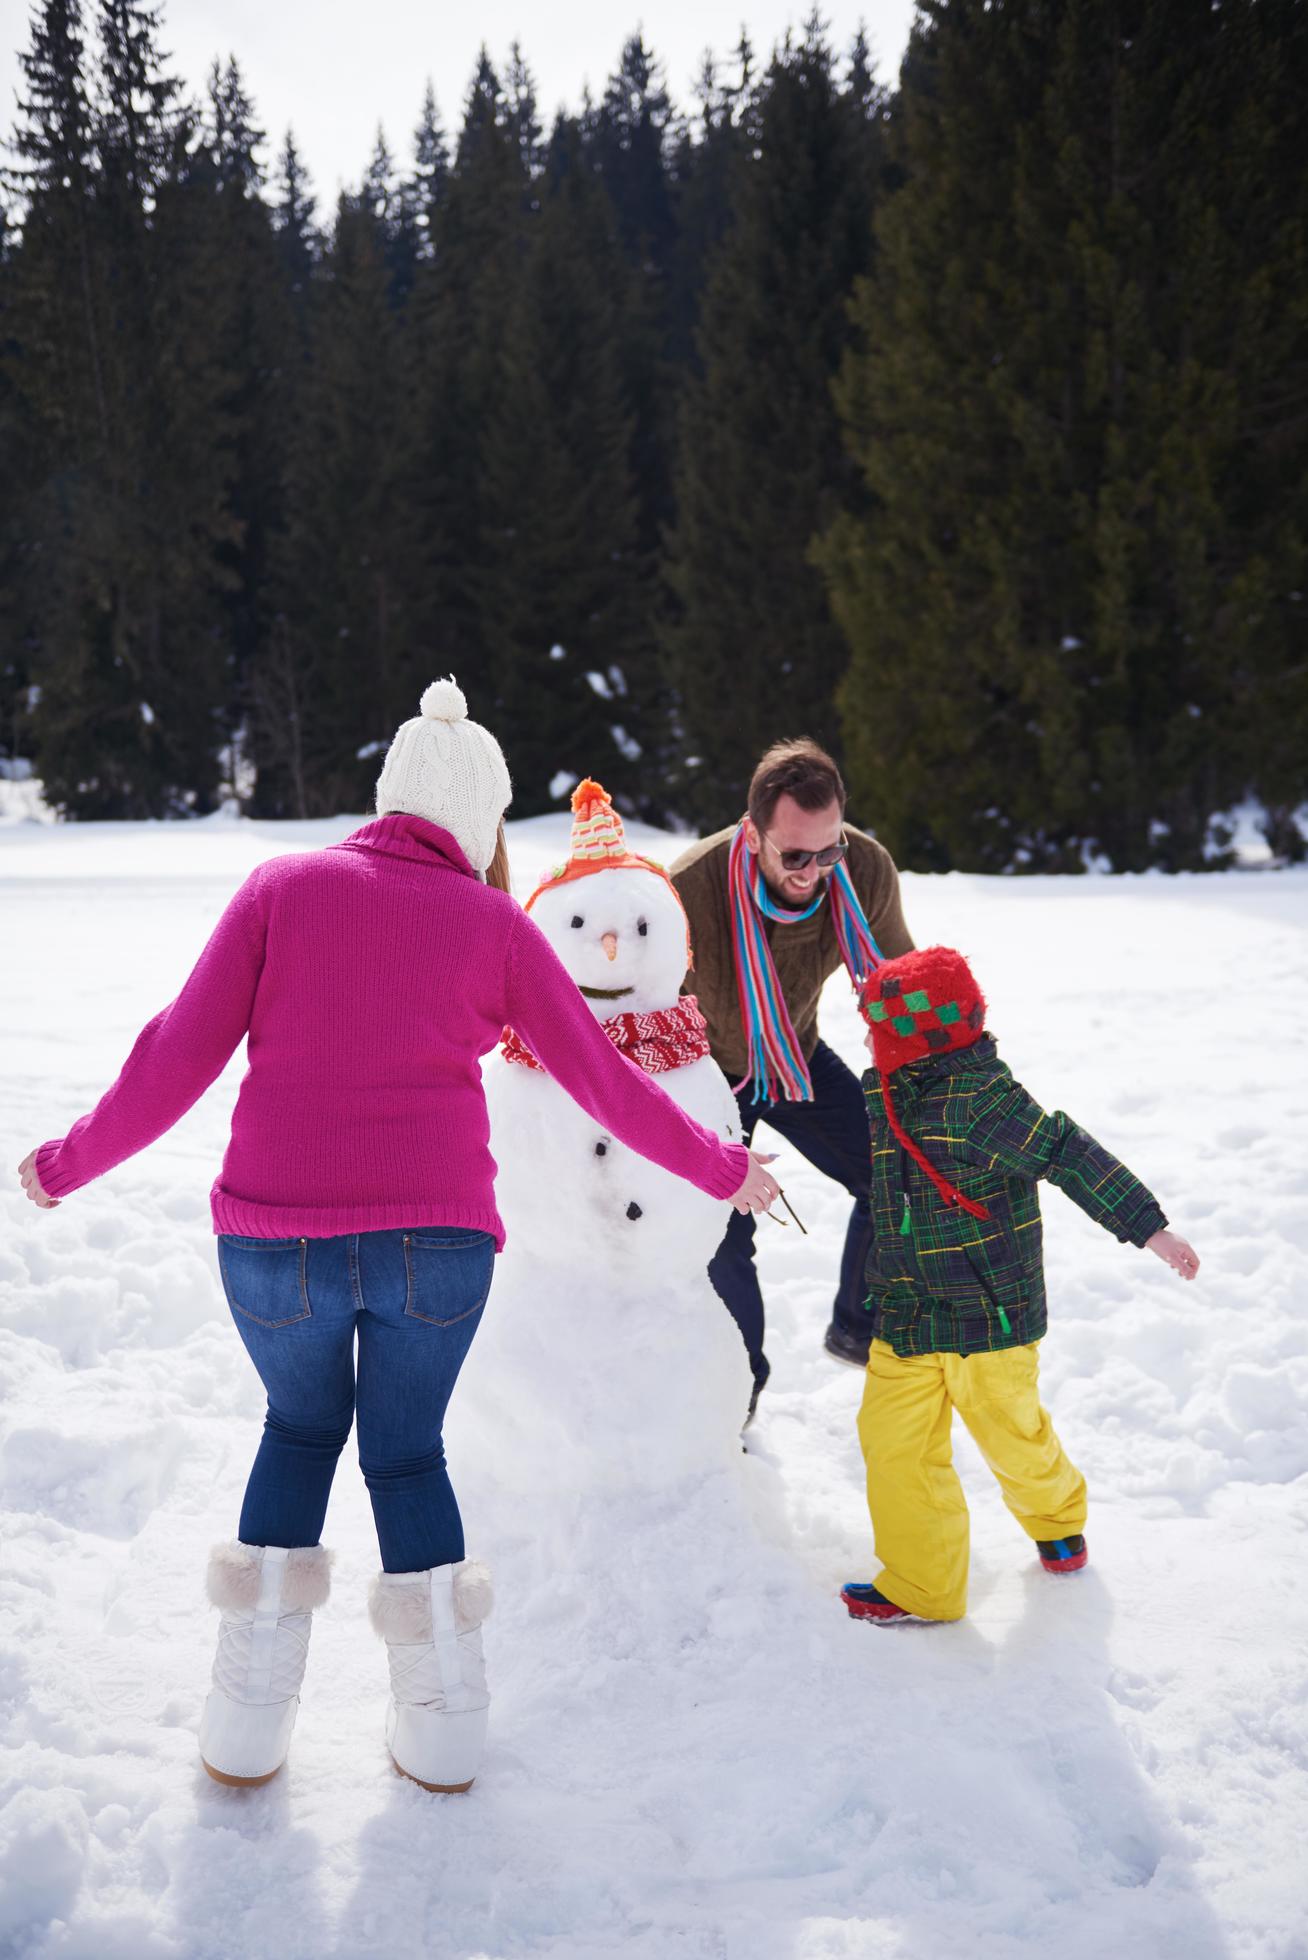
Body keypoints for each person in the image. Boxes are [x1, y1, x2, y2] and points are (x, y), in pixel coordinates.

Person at [16, 678, 780, 1794]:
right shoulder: (494, 925)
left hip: (276, 1240)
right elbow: (608, 1084)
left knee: (298, 1428)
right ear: (479, 821)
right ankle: (443, 1729)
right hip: (439, 1246)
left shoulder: (281, 888)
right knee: (407, 1453)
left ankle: (243, 1728)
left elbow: (176, 1052)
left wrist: (67, 1160)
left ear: (388, 794)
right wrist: (725, 1166)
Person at [839, 945, 1200, 1627]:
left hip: (989, 1315)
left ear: (920, 1039)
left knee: (1012, 1436)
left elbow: (1067, 1151)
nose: (865, 1040)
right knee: (894, 1447)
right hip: (909, 1311)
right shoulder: (892, 1085)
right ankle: (923, 1584)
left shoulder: (982, 1101)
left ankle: (1056, 1517)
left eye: (878, 1029)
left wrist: (1149, 1227)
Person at [669, 739, 914, 1415]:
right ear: (753, 834)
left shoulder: (862, 868)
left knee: (896, 1168)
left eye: (827, 849)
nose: (814, 870)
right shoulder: (687, 888)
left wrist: (953, 1067)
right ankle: (737, 1396)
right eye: (795, 855)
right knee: (723, 1238)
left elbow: (904, 983)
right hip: (706, 1070)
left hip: (794, 1052)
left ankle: (857, 1327)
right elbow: (638, 1007)